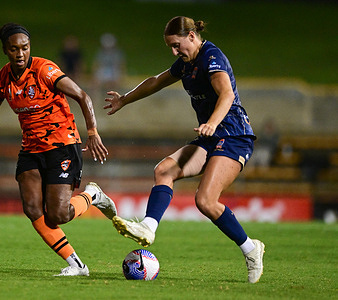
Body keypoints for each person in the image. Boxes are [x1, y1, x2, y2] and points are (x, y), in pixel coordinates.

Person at [0, 23, 117, 277]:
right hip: (31, 150)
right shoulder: (2, 79)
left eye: (25, 47)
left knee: (58, 214)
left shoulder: (44, 70)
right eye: (14, 49)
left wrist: (92, 133)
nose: (20, 53)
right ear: (5, 50)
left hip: (62, 146)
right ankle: (76, 265)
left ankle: (92, 196)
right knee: (33, 209)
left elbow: (82, 96)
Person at [104, 16, 265, 283]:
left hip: (234, 135)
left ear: (192, 36)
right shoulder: (185, 63)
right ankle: (148, 227)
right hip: (210, 136)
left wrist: (212, 123)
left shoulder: (212, 57)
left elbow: (227, 94)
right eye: (171, 47)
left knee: (205, 201)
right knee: (164, 170)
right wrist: (124, 99)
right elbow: (156, 80)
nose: (175, 52)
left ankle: (251, 249)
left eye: (177, 45)